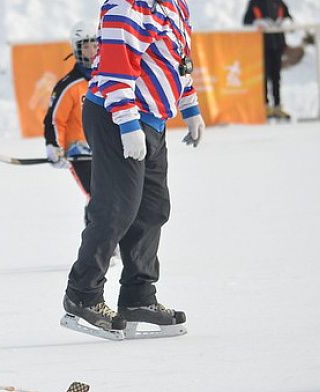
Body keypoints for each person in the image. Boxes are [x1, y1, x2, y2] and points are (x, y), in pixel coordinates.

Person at [62, 0, 202, 340]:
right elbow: (114, 70)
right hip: (118, 115)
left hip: (152, 119)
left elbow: (177, 61)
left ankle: (138, 296)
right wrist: (127, 124)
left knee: (152, 209)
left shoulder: (175, 6)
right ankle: (83, 294)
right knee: (115, 209)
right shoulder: (126, 7)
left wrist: (190, 105)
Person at [44, 19, 98, 198]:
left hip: (107, 151)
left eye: (95, 45)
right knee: (99, 200)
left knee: (120, 199)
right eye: (86, 47)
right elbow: (54, 119)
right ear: (76, 50)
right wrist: (54, 145)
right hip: (80, 154)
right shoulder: (69, 85)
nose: (91, 52)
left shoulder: (107, 81)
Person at [243, 0, 294, 120]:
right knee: (264, 77)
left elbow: (289, 18)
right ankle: (265, 106)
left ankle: (277, 106)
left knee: (276, 77)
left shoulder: (279, 2)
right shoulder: (255, 2)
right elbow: (246, 21)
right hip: (262, 46)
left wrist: (286, 22)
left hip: (277, 45)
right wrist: (258, 22)